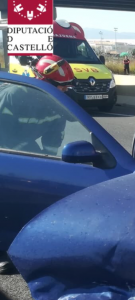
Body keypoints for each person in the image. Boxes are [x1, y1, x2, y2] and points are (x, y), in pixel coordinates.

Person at [0, 54, 75, 274]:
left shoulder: (53, 101)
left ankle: (22, 250)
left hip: (26, 152)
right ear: (43, 80)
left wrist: (50, 165)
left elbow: (54, 134)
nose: (65, 91)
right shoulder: (13, 96)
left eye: (67, 86)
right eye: (61, 86)